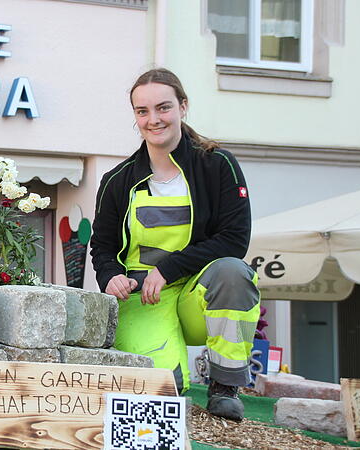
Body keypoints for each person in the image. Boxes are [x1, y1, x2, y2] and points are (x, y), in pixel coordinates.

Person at [90, 68, 260, 421]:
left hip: (199, 294)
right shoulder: (117, 181)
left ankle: (225, 385)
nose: (154, 119)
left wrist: (168, 269)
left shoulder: (218, 165)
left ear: (183, 107)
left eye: (163, 108)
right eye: (142, 111)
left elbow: (234, 239)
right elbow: (102, 247)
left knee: (234, 272)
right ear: (135, 117)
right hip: (145, 299)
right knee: (162, 393)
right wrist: (110, 276)